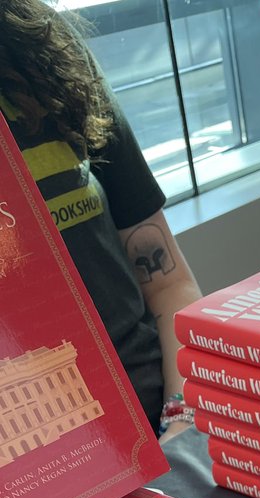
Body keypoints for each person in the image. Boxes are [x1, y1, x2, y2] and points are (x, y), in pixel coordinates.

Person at [0, 0, 202, 437]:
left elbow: (169, 285)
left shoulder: (41, 46)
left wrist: (182, 417)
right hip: (31, 462)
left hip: (155, 419)